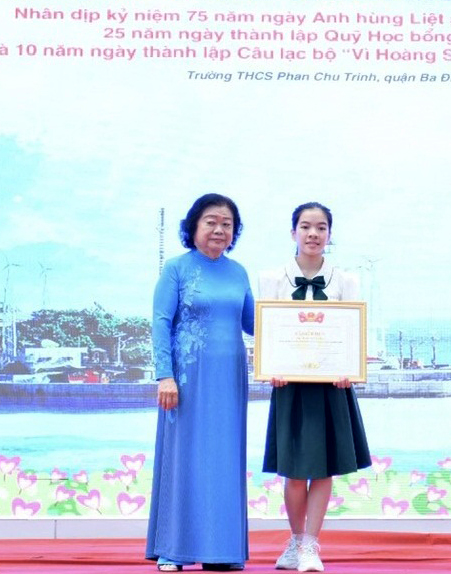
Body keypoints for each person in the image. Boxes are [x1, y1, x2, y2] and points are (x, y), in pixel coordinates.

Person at [259, 202, 371, 572]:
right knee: (293, 470)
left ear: (329, 235)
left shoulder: (347, 280)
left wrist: (348, 369)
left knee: (322, 470)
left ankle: (311, 545)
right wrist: (270, 366)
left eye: (320, 227)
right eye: (305, 226)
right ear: (293, 232)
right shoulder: (273, 278)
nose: (313, 234)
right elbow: (267, 334)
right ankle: (294, 541)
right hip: (290, 385)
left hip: (330, 387)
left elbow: (351, 335)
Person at [146, 193, 254, 572]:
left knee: (224, 459)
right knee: (184, 458)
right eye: (211, 221)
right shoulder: (176, 269)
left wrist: (310, 323)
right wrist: (165, 376)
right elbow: (160, 323)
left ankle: (221, 551)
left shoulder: (239, 272)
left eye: (227, 224)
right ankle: (173, 550)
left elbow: (256, 325)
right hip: (187, 380)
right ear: (193, 226)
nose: (219, 229)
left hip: (229, 381)